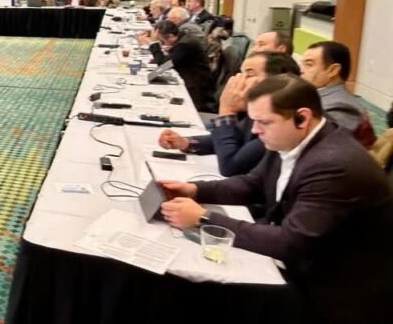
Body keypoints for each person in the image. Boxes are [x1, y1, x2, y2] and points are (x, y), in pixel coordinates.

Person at [158, 75, 393, 323]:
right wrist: (194, 190)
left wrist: (203, 218)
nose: (255, 130)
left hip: (334, 292)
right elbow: (253, 184)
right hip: (305, 265)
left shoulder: (334, 164)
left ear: (302, 118)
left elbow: (290, 242)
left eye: (264, 122)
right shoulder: (293, 139)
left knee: (191, 292)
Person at [159, 52, 301, 176]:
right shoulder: (255, 111)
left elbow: (231, 166)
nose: (238, 80)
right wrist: (186, 143)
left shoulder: (279, 122)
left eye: (249, 74)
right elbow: (234, 138)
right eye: (240, 73)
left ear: (275, 82)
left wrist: (226, 111)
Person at [299, 41, 376, 147]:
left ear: (333, 70)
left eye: (309, 64)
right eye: (302, 64)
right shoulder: (314, 96)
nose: (301, 70)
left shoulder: (341, 107)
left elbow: (321, 147)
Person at [140, 20, 214, 111]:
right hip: (191, 77)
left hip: (196, 87)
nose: (162, 44)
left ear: (171, 36)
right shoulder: (184, 36)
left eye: (162, 41)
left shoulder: (184, 44)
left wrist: (154, 43)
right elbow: (172, 58)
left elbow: (164, 65)